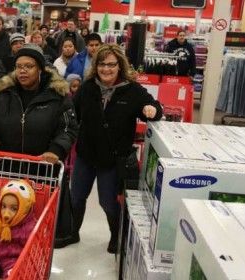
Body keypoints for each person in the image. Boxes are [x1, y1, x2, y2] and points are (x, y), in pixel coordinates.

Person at [70, 44, 163, 251]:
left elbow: (155, 107)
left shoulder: (132, 90)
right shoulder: (88, 87)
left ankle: (116, 236)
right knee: (76, 197)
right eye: (102, 64)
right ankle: (72, 232)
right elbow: (71, 112)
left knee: (108, 202)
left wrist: (152, 110)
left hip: (112, 159)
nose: (106, 69)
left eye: (111, 64)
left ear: (120, 66)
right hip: (85, 155)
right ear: (96, 66)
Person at [0, 43, 78, 164]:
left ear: (40, 69)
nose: (22, 71)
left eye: (29, 66)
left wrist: (56, 150)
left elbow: (68, 129)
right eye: (18, 66)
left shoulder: (57, 95)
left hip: (44, 170)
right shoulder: (3, 95)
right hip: (8, 168)